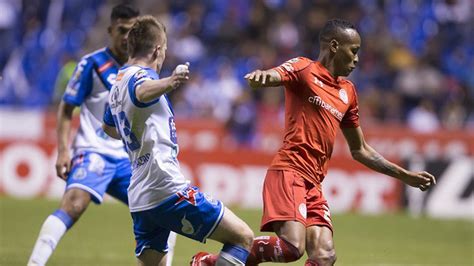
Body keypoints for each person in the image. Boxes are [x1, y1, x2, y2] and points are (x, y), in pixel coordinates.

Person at [193, 19, 437, 266]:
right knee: (292, 247)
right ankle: (210, 262)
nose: (357, 59)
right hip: (289, 172)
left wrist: (404, 175)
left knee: (324, 256)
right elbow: (277, 73)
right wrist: (264, 77)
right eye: (353, 50)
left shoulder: (348, 92)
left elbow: (360, 149)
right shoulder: (304, 69)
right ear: (334, 46)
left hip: (314, 185)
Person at [27, 5, 175, 266]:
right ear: (110, 30)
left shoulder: (143, 71)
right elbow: (66, 107)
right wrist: (63, 149)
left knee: (166, 210)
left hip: (129, 159)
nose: (127, 37)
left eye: (132, 31)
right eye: (122, 30)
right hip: (94, 149)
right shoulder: (92, 64)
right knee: (73, 204)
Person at [101, 15, 254, 266]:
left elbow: (109, 127)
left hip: (141, 196)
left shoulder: (117, 83)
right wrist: (170, 82)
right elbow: (140, 93)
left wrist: (135, 124)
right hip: (165, 187)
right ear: (158, 49)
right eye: (165, 50)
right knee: (242, 238)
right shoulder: (140, 77)